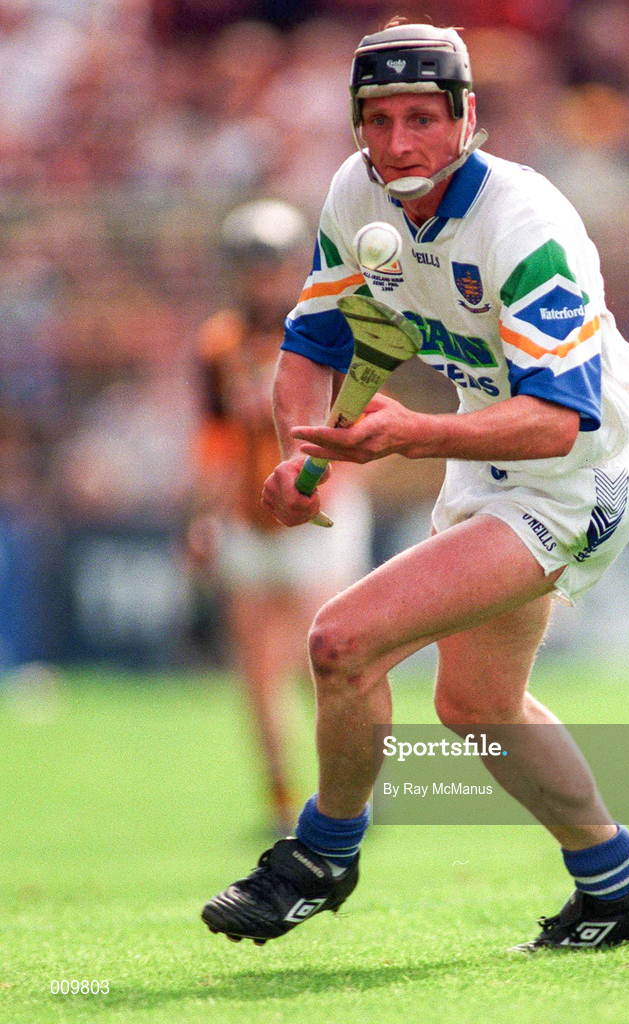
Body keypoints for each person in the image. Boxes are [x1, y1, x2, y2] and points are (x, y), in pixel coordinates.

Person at [201, 21, 629, 951]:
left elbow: (561, 415)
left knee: (342, 641)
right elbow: (314, 341)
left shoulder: (523, 224)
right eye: (377, 121)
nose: (397, 144)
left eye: (422, 118)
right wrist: (296, 452)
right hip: (486, 458)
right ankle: (618, 887)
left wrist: (412, 435)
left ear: (468, 118)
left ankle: (322, 854)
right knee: (474, 705)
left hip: (575, 474)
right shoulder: (356, 190)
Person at [190, 199, 372, 834]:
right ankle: (278, 794)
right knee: (257, 666)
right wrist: (204, 515)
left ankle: (347, 791)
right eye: (248, 262)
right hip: (247, 510)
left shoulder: (326, 330)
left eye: (269, 261)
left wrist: (330, 488)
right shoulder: (220, 342)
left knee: (327, 652)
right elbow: (213, 436)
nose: (259, 275)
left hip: (321, 506)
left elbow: (357, 417)